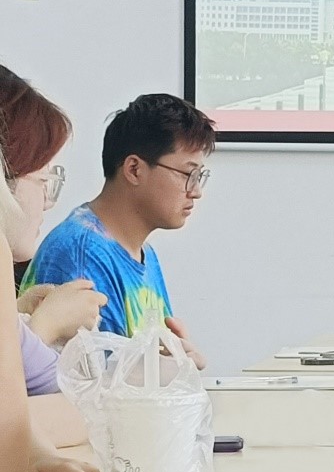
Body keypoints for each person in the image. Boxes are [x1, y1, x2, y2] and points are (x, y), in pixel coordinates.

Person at [22, 93, 214, 369]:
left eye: (199, 177)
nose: (196, 192)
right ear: (134, 169)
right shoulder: (81, 253)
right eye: (188, 175)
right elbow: (86, 386)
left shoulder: (142, 252)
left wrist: (180, 362)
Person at [1, 100, 106, 472]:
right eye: (43, 178)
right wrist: (42, 327)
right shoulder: (81, 248)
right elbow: (89, 402)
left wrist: (35, 451)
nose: (48, 200)